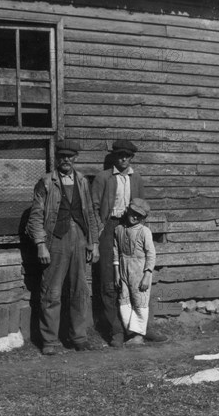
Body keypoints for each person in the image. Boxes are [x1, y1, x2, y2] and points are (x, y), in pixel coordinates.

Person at [26, 140, 100, 355]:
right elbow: (36, 216)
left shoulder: (83, 182)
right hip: (55, 240)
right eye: (62, 156)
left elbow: (91, 215)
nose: (66, 160)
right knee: (52, 291)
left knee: (80, 290)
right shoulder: (46, 182)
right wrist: (41, 245)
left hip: (80, 239)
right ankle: (50, 341)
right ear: (56, 158)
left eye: (70, 156)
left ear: (75, 157)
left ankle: (79, 337)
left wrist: (93, 243)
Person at [91, 140, 166, 347]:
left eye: (128, 156)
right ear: (114, 156)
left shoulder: (137, 178)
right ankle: (116, 330)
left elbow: (142, 206)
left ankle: (143, 328)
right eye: (120, 155)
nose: (124, 159)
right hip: (109, 228)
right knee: (110, 280)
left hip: (131, 227)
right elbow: (94, 207)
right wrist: (99, 230)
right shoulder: (103, 178)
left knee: (139, 277)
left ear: (132, 158)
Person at [113, 198, 156, 346]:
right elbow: (116, 251)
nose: (135, 217)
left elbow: (151, 254)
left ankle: (139, 336)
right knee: (124, 301)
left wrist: (147, 275)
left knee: (139, 301)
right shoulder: (119, 230)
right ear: (128, 211)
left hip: (139, 270)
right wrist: (117, 273)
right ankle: (130, 332)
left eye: (140, 215)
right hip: (123, 268)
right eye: (133, 213)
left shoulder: (145, 232)